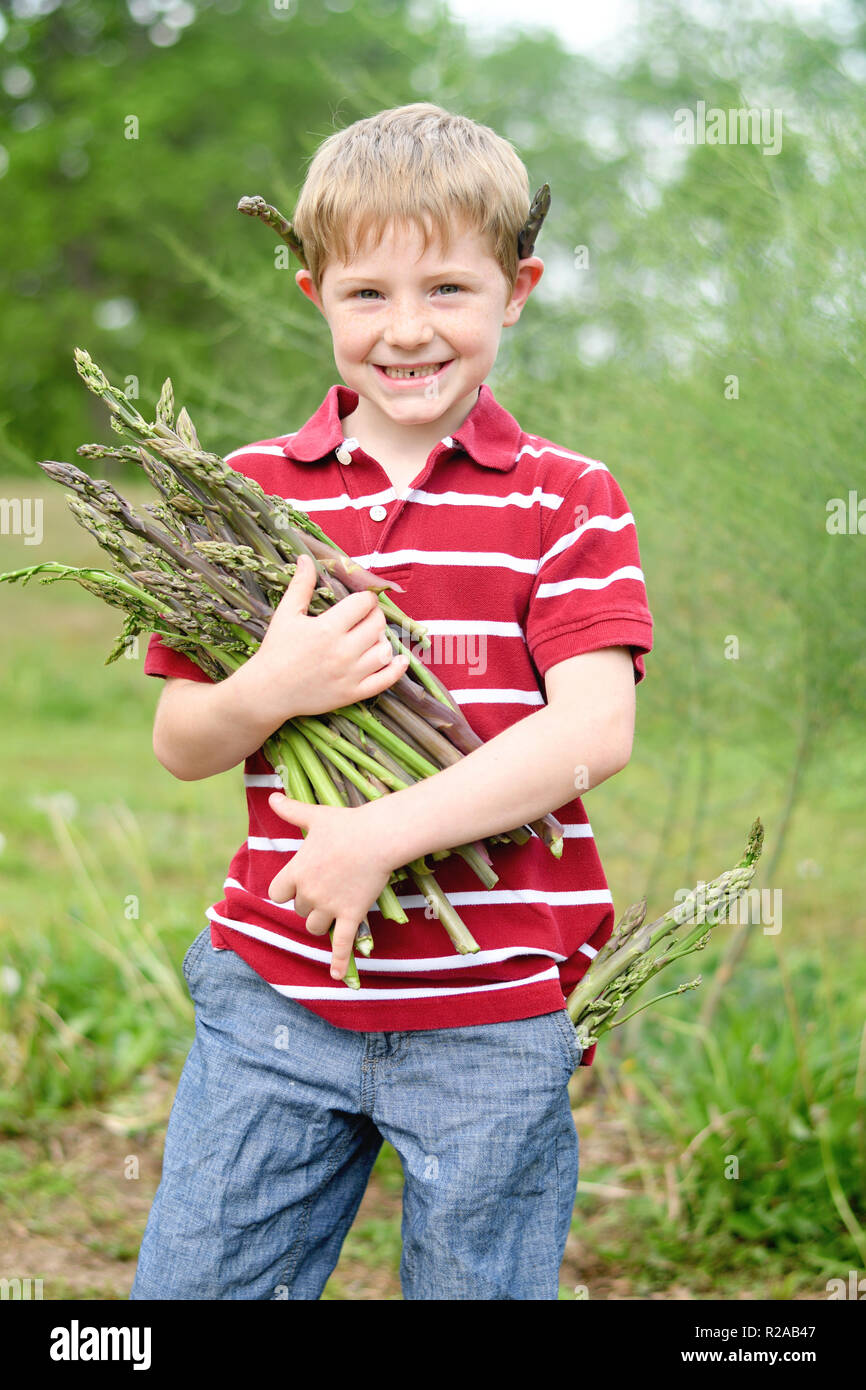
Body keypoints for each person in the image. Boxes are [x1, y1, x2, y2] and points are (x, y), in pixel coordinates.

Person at [129, 102, 653, 1301]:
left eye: (449, 292)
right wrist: (272, 685)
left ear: (515, 289)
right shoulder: (248, 496)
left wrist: (377, 834)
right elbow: (180, 745)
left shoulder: (565, 499)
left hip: (493, 1007)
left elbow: (592, 730)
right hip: (275, 998)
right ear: (314, 291)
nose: (407, 331)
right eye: (367, 294)